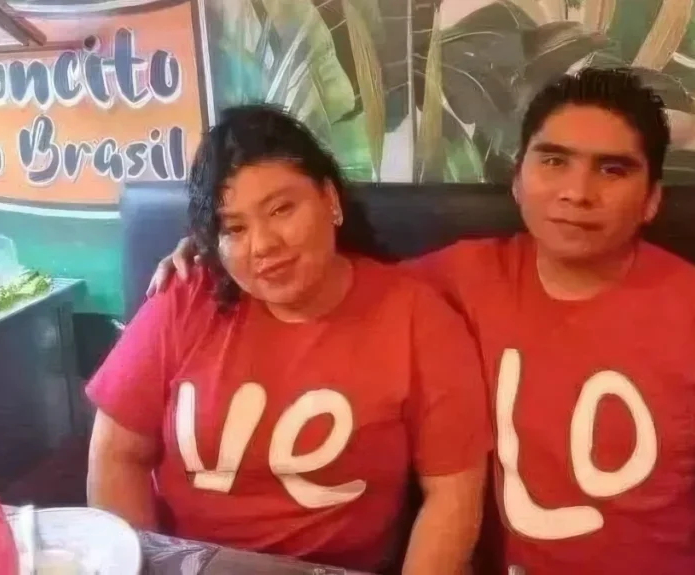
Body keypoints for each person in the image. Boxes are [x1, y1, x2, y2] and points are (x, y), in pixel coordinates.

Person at [148, 69, 695, 574]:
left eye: (612, 170)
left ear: (652, 198)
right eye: (554, 161)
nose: (576, 192)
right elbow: (324, 275)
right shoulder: (451, 281)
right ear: (518, 177)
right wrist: (210, 245)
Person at [87, 105, 490, 574]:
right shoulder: (186, 295)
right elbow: (117, 454)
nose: (262, 245)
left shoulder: (417, 317)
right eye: (235, 228)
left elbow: (452, 495)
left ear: (330, 200)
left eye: (281, 209)